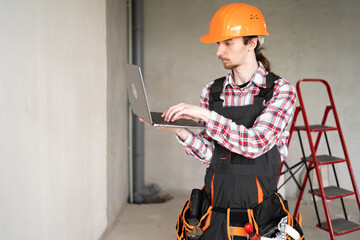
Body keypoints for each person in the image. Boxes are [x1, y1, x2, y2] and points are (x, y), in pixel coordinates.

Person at [141, 3, 304, 240]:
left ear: (252, 43)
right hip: (214, 217)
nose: (219, 51)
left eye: (228, 43)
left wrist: (207, 116)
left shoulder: (280, 91)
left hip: (259, 222)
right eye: (218, 43)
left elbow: (256, 143)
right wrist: (180, 132)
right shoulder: (212, 91)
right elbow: (212, 156)